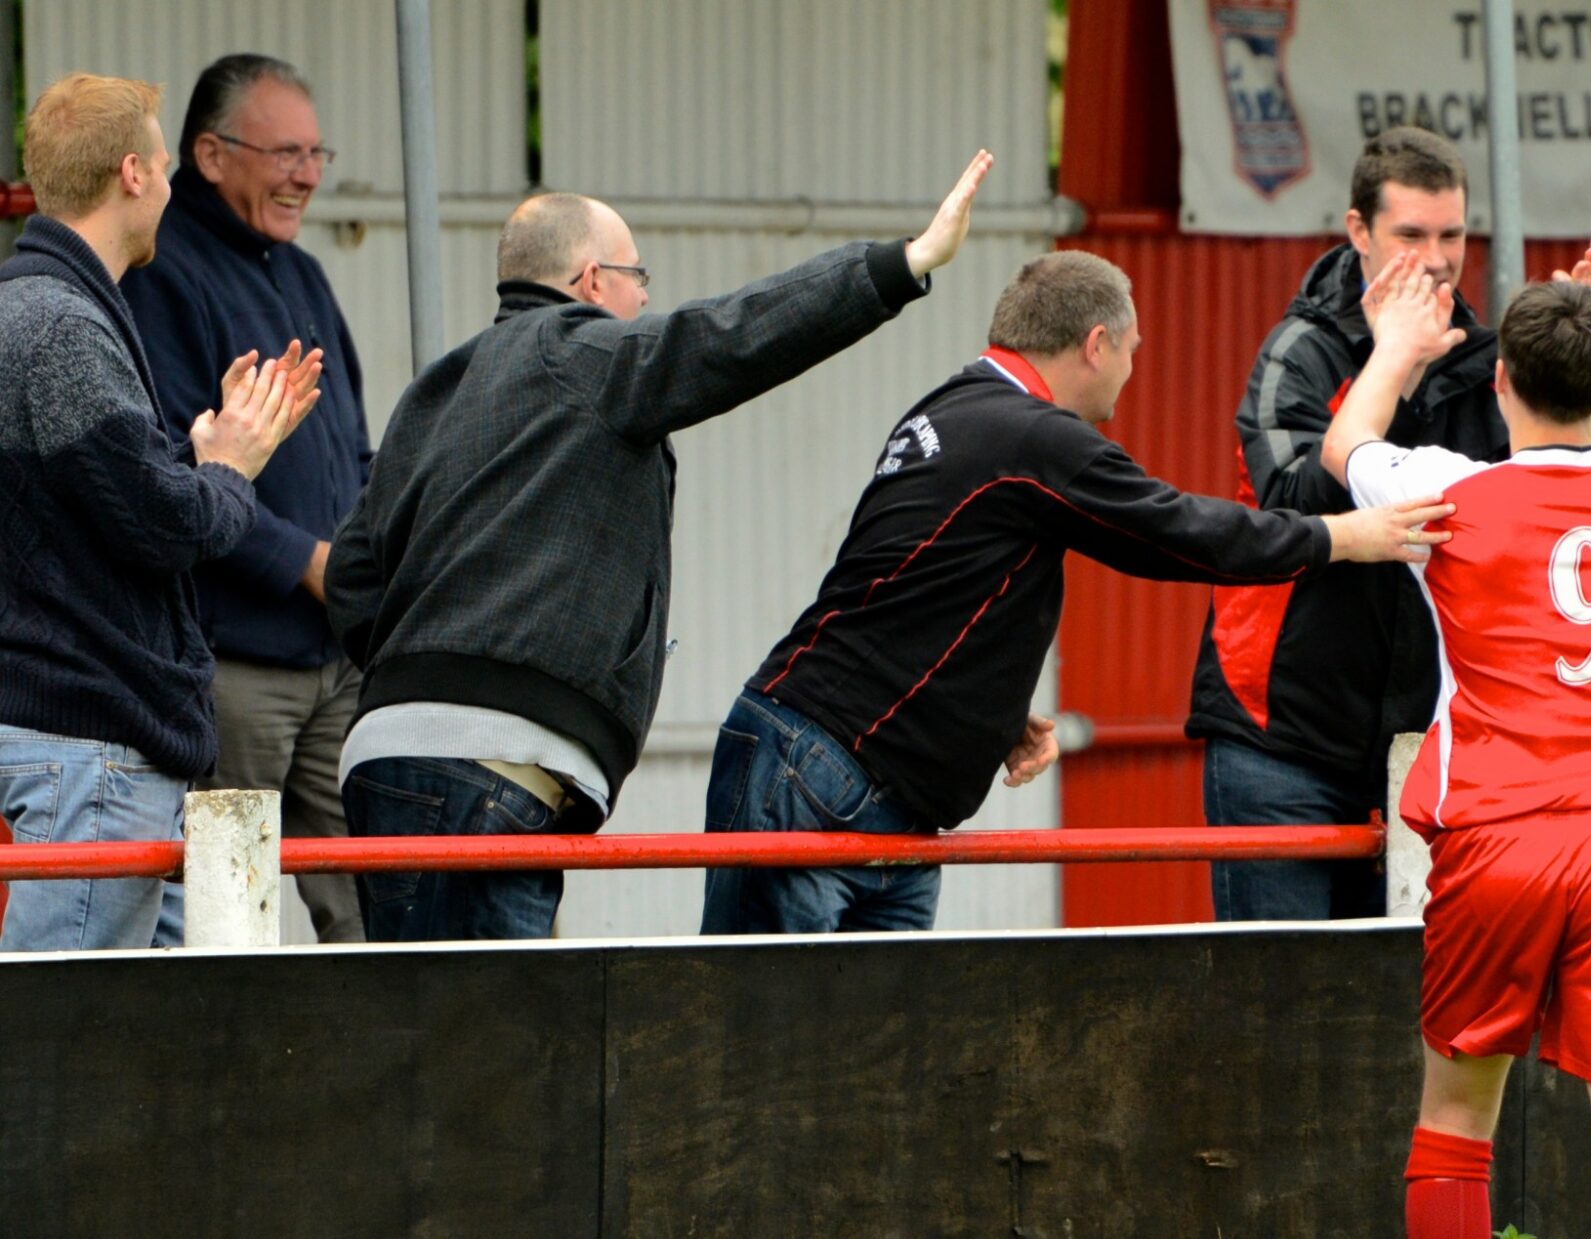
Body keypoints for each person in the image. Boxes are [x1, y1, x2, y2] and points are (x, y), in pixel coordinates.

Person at [324, 152, 996, 943]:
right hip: (493, 763)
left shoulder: (434, 390)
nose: (645, 298)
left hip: (385, 755)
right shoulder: (585, 352)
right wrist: (902, 264)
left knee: (426, 1006)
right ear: (591, 279)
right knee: (483, 1021)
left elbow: (352, 576)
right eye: (637, 276)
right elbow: (726, 336)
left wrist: (428, 673)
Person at [698, 250, 1458, 936]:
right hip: (822, 770)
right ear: (1096, 344)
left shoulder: (952, 408)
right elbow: (1179, 530)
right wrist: (1342, 535)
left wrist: (984, 716)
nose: (1131, 370)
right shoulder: (1033, 435)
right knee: (760, 1029)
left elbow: (925, 584)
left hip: (849, 774)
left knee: (869, 1042)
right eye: (1131, 350)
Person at [1322, 240, 1591, 1239]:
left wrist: (1396, 346)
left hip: (1496, 837)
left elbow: (1344, 443)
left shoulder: (1448, 492)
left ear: (1498, 382)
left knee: (1454, 1119)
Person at [1184, 127, 1591, 922]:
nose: (1437, 258)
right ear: (1359, 231)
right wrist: (1396, 363)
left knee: (1398, 992)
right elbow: (1291, 500)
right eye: (1411, 234)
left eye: (1453, 235)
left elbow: (1576, 480)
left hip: (1426, 747)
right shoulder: (1300, 351)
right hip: (1280, 741)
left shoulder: (1488, 360)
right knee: (1277, 993)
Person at [0, 74, 319, 952]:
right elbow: (166, 525)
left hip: (79, 744)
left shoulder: (29, 307)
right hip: (92, 747)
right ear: (133, 173)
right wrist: (231, 465)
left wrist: (194, 455)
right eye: (168, 168)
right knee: (68, 1023)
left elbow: (98, 502)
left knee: (145, 1023)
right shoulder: (63, 328)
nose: (173, 189)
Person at [122, 54, 371, 944]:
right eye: (285, 153)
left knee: (375, 920)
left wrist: (370, 551)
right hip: (232, 669)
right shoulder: (160, 274)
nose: (307, 174)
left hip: (335, 658)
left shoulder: (299, 273)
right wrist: (309, 562)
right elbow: (176, 470)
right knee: (229, 927)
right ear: (211, 154)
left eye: (316, 154)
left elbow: (353, 449)